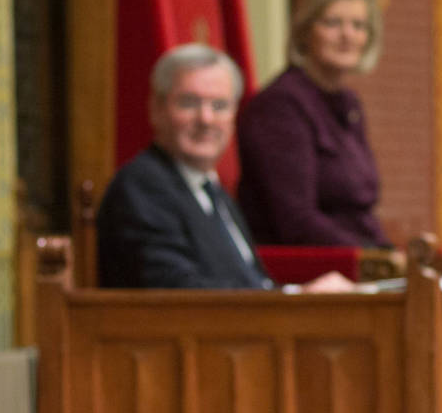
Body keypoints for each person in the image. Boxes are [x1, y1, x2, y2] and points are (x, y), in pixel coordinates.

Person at [96, 44, 352, 292]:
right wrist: (297, 298)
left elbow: (251, 283)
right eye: (188, 103)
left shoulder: (213, 190)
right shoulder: (142, 187)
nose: (206, 119)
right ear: (156, 109)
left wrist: (299, 295)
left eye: (219, 106)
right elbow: (178, 292)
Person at [235, 0, 390, 248]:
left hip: (356, 261)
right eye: (332, 23)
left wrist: (391, 256)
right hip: (307, 268)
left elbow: (360, 212)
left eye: (358, 25)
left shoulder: (348, 102)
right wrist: (373, 260)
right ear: (305, 31)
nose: (347, 35)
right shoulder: (280, 105)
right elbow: (297, 221)